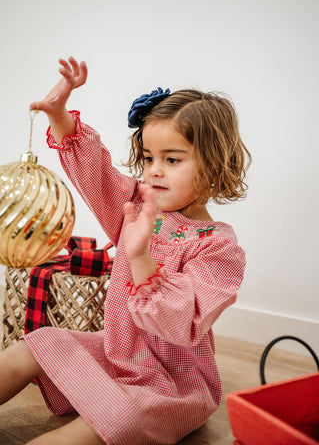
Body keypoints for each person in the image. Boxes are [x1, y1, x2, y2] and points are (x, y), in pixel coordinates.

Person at [0, 57, 251, 444]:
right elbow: (95, 170)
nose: (153, 169)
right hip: (118, 355)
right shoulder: (137, 204)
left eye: (172, 159)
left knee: (124, 417)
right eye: (149, 158)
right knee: (40, 341)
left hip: (173, 386)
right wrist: (59, 114)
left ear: (214, 166)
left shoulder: (218, 248)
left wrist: (140, 259)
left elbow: (181, 326)